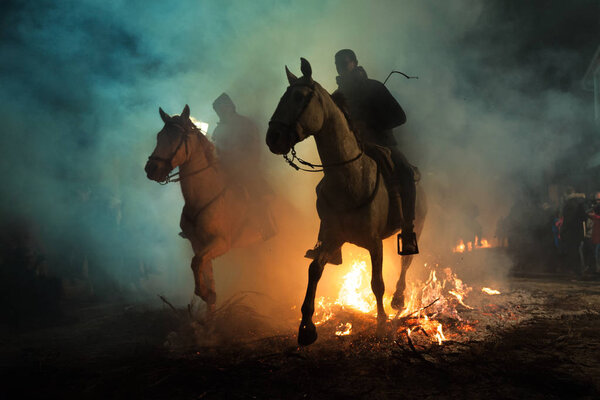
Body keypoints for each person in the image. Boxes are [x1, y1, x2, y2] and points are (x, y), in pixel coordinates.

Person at [333, 49, 418, 254]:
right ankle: (329, 238)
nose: (341, 68)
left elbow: (400, 117)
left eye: (345, 64)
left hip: (382, 145)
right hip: (352, 150)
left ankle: (407, 231)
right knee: (325, 187)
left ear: (354, 63)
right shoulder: (336, 97)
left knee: (405, 172)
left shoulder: (374, 88)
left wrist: (370, 124)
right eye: (338, 65)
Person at [211, 93, 276, 240]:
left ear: (229, 108)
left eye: (221, 109)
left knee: (255, 193)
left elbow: (253, 147)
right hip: (223, 169)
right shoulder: (218, 129)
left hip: (244, 168)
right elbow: (215, 149)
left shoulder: (245, 124)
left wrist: (241, 161)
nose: (219, 113)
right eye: (217, 111)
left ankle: (266, 226)